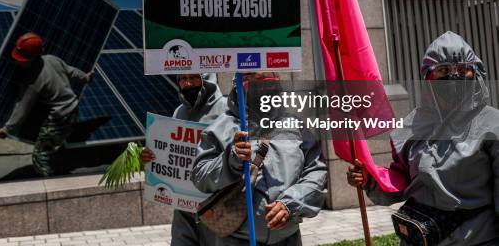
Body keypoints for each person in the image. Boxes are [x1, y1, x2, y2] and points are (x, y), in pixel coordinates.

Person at [347, 31, 499, 245]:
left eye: (463, 69)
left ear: (476, 74)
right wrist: (370, 180)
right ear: (429, 77)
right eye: (444, 70)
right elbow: (401, 180)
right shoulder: (410, 125)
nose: (453, 77)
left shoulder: (492, 124)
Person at [192, 72, 327, 246]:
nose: (262, 87)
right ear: (238, 85)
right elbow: (200, 177)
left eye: (268, 80)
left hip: (287, 238)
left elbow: (316, 172)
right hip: (235, 240)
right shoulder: (218, 129)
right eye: (253, 79)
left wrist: (292, 203)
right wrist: (231, 159)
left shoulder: (297, 127)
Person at [142, 73, 229, 246]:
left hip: (218, 204)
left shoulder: (226, 108)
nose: (187, 83)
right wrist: (152, 156)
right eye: (182, 78)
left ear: (207, 78)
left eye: (194, 77)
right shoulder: (179, 111)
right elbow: (171, 151)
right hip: (184, 207)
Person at [0, 32, 93, 177]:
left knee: (40, 155)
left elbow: (22, 107)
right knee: (51, 143)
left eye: (22, 59)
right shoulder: (52, 59)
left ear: (32, 58)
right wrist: (85, 77)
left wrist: (6, 129)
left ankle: (51, 182)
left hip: (60, 118)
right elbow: (71, 71)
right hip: (73, 110)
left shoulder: (33, 80)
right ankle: (55, 159)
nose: (19, 62)